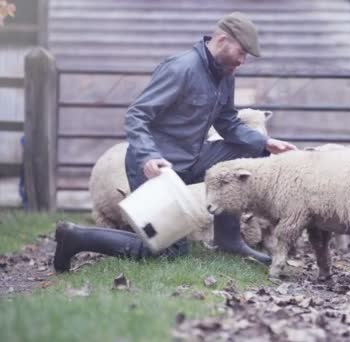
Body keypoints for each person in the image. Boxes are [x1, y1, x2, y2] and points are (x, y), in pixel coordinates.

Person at [53, 12, 297, 273]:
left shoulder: (226, 73)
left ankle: (229, 240)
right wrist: (148, 156)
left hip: (192, 158)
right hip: (156, 167)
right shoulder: (181, 68)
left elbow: (227, 121)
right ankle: (75, 237)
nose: (244, 59)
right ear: (223, 39)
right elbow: (137, 115)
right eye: (242, 51)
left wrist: (267, 142)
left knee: (252, 151)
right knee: (170, 251)